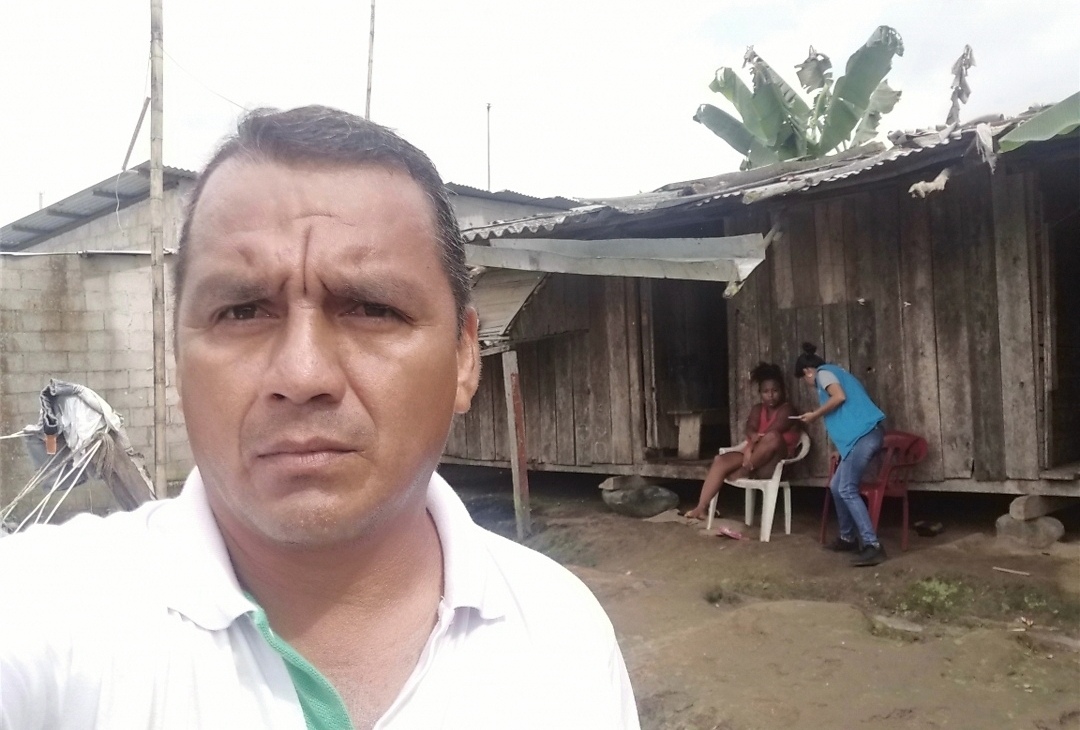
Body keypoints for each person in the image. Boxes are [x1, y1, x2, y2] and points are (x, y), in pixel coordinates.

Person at [0, 106, 640, 730]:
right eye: (243, 312)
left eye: (372, 309)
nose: (303, 376)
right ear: (177, 356)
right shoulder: (43, 614)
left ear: (464, 357)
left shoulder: (563, 640)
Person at [793, 342, 887, 567]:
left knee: (846, 488)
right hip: (862, 437)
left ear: (807, 372)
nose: (808, 384)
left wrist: (814, 415)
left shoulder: (823, 373)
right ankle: (847, 538)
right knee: (837, 486)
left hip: (864, 436)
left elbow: (839, 397)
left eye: (804, 379)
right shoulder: (836, 372)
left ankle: (873, 545)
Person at [684, 362, 800, 521]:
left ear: (782, 391)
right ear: (760, 393)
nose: (771, 395)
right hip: (754, 457)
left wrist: (750, 449)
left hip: (775, 464)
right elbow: (750, 429)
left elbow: (770, 432)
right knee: (719, 460)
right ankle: (701, 508)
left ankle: (745, 470)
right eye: (766, 391)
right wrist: (750, 444)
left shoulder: (787, 410)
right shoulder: (757, 409)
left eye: (775, 391)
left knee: (773, 437)